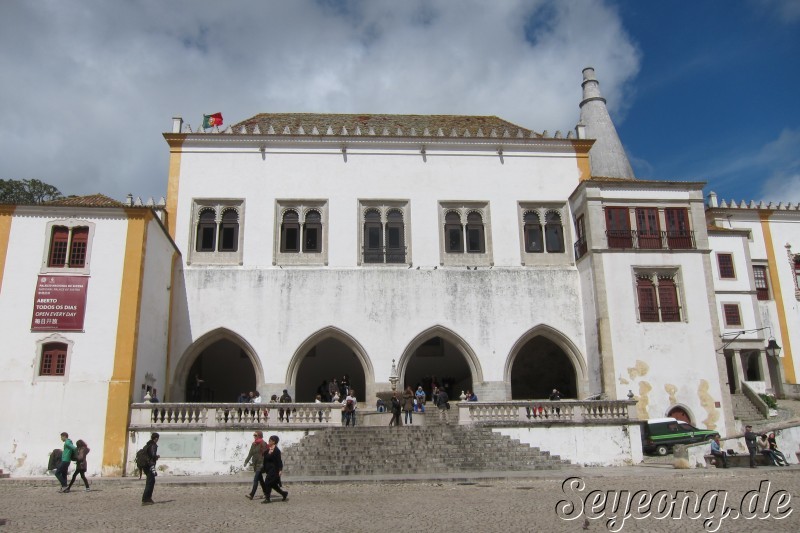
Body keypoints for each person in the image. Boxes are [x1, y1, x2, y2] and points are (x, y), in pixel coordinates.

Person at [260, 435, 288, 503]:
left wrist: (280, 470)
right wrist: (267, 452)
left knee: (267, 482)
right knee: (273, 485)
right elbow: (264, 456)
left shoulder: (276, 451)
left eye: (270, 440)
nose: (268, 441)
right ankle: (284, 493)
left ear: (274, 442)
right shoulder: (268, 449)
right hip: (268, 469)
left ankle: (267, 498)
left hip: (274, 470)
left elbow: (279, 461)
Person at [243, 431, 269, 500]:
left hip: (260, 465)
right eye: (254, 435)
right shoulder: (254, 444)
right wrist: (246, 461)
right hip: (255, 464)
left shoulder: (263, 444)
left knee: (255, 479)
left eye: (255, 435)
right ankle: (266, 493)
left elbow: (265, 455)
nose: (254, 436)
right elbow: (250, 453)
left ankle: (252, 495)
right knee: (261, 480)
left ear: (259, 436)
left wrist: (263, 463)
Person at [141, 432, 160, 505]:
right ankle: (146, 499)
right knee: (150, 482)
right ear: (156, 438)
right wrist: (156, 457)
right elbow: (152, 455)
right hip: (150, 465)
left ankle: (146, 498)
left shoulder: (147, 445)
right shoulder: (153, 445)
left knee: (149, 481)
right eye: (157, 438)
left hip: (145, 465)